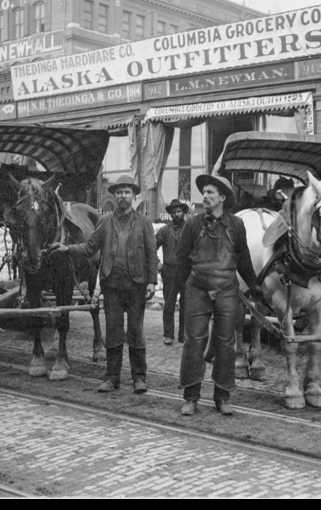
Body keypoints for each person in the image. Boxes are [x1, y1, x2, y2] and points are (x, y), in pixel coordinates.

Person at [52, 175, 158, 393]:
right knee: (113, 332)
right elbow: (90, 247)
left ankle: (139, 378)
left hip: (136, 285)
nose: (122, 196)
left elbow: (151, 255)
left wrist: (152, 282)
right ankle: (112, 378)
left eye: (127, 192)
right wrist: (68, 249)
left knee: (136, 332)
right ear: (114, 195)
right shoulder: (105, 221)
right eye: (119, 192)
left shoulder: (145, 223)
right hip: (112, 286)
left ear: (134, 196)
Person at [177, 173, 260, 417]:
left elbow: (243, 260)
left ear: (222, 197)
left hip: (227, 290)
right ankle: (191, 397)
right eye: (204, 192)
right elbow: (181, 260)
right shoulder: (193, 224)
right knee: (194, 342)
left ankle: (222, 396)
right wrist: (181, 294)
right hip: (198, 290)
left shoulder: (236, 224)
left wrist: (255, 287)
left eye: (211, 192)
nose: (205, 196)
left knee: (226, 344)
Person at [155, 199, 190, 346]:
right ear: (170, 214)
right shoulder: (164, 231)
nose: (176, 214)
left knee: (186, 304)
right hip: (169, 271)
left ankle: (184, 335)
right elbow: (151, 247)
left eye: (179, 211)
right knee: (169, 304)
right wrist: (158, 264)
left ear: (184, 213)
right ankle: (168, 334)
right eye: (174, 212)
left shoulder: (190, 229)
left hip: (187, 271)